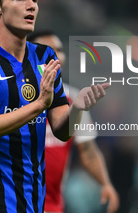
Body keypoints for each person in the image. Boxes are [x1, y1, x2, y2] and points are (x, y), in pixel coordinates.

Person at [0, 0, 110, 213]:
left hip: (33, 201)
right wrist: (38, 105)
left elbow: (62, 131)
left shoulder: (45, 57)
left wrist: (77, 107)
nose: (31, 6)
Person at [27, 30, 119, 213]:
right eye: (47, 51)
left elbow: (88, 151)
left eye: (59, 50)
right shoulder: (12, 96)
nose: (55, 56)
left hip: (52, 205)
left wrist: (105, 183)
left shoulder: (74, 99)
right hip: (11, 202)